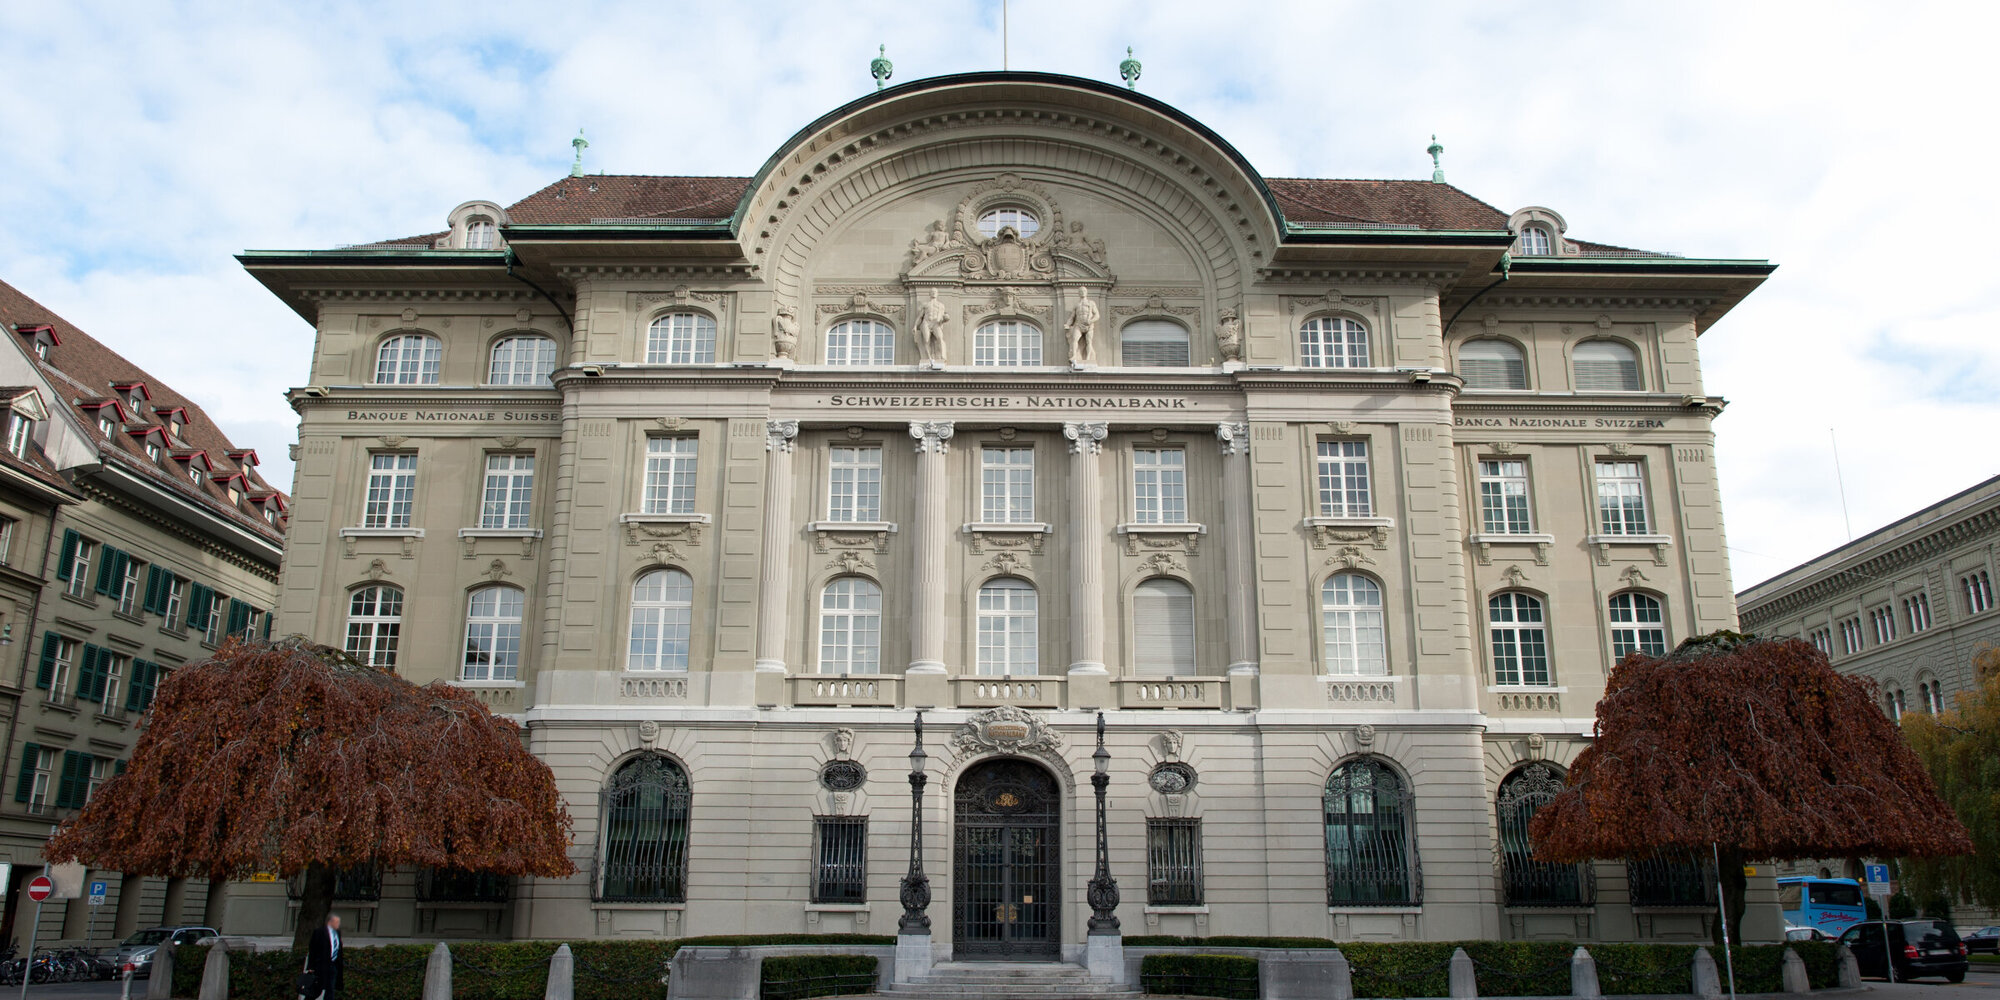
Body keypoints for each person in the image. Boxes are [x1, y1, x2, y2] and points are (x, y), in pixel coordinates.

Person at [305, 914, 344, 1000]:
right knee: (316, 989)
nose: (338, 924)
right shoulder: (319, 932)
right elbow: (313, 949)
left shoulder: (337, 932)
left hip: (333, 965)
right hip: (321, 965)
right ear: (330, 922)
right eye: (337, 922)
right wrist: (311, 966)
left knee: (330, 989)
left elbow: (338, 948)